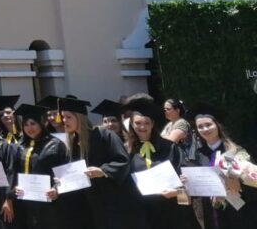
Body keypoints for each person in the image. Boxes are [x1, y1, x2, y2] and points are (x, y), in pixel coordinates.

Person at [55, 96, 129, 229]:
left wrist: (103, 171)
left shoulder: (104, 135)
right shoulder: (72, 142)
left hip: (109, 200)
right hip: (87, 203)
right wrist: (63, 180)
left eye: (68, 117)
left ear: (79, 117)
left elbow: (122, 160)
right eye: (63, 117)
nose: (64, 121)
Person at [121, 99, 195, 229]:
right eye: (138, 123)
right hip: (143, 212)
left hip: (172, 210)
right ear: (131, 124)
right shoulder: (127, 150)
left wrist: (178, 194)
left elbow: (185, 181)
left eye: (146, 123)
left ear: (153, 124)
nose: (142, 127)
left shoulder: (170, 147)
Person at [181, 105, 254, 229]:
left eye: (208, 124)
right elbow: (190, 194)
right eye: (200, 126)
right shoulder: (196, 156)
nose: (205, 129)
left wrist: (240, 184)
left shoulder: (235, 151)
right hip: (210, 214)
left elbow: (253, 181)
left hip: (237, 212)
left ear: (217, 126)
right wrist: (185, 185)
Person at [12, 104, 66, 229]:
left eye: (33, 123)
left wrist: (57, 189)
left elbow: (64, 172)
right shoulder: (21, 146)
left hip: (50, 202)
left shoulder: (55, 144)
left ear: (41, 124)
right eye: (26, 124)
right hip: (27, 203)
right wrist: (16, 187)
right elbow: (15, 172)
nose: (29, 128)